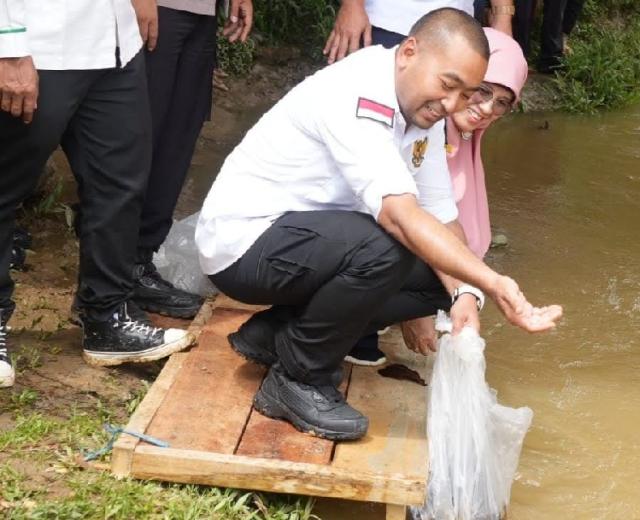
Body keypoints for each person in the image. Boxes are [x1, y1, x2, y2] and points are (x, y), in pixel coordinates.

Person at [197, 8, 562, 441]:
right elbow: (399, 216)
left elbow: (443, 216)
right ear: (409, 51)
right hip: (243, 244)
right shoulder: (362, 91)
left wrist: (467, 293)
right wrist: (497, 285)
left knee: (445, 276)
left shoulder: (421, 112)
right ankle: (296, 380)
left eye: (465, 94)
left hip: (306, 244)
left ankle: (279, 334)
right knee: (389, 245)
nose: (451, 105)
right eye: (448, 85)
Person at [0, 0, 194, 388]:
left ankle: (108, 317)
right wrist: (7, 45)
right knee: (5, 187)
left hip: (114, 46)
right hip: (39, 46)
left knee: (118, 185)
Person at [397, 28, 529, 355]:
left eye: (501, 103)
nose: (486, 110)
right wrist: (413, 311)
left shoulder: (462, 138)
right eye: (481, 91)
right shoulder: (421, 127)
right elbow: (402, 218)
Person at [132, 0, 252, 319]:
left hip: (200, 13)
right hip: (157, 8)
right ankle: (102, 282)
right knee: (139, 136)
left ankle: (138, 265)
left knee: (178, 136)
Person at [323, 0, 515, 64]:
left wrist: (502, 16)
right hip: (385, 22)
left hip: (456, 27)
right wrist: (352, 5)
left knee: (442, 126)